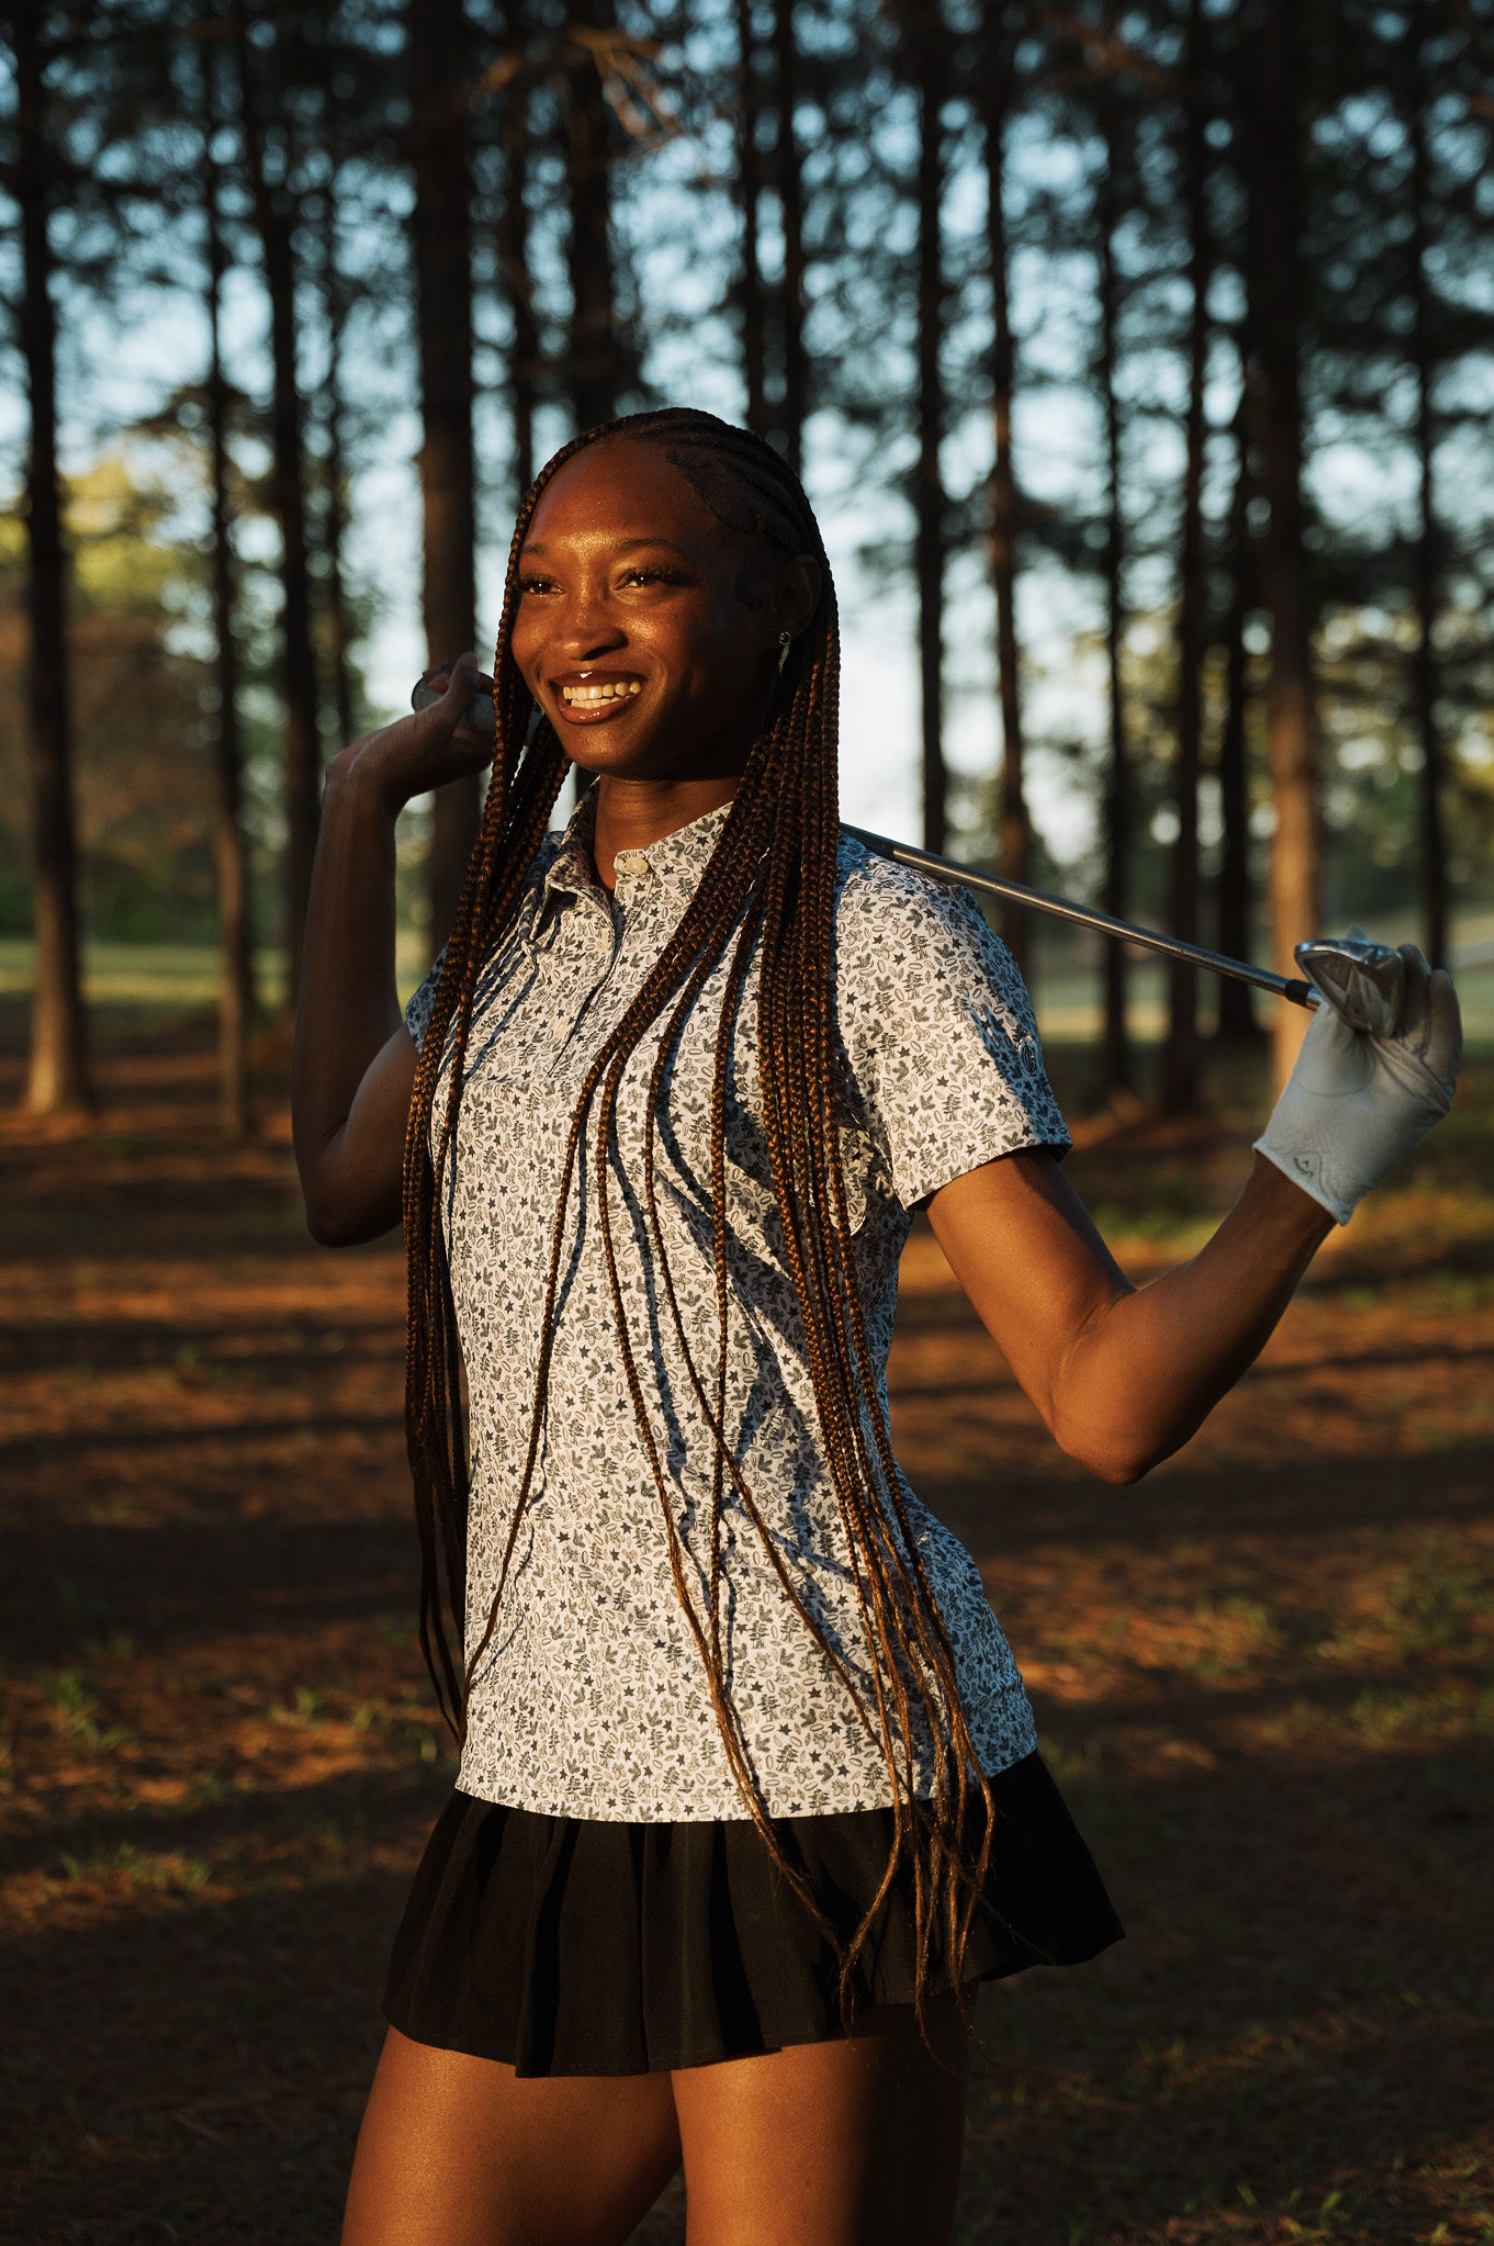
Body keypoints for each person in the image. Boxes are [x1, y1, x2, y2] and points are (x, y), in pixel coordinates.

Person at [291, 408, 1461, 2246]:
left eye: (644, 577)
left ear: (776, 613)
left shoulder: (874, 931)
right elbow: (348, 1174)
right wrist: (370, 794)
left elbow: (1099, 1398)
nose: (574, 625)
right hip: (541, 1759)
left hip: (807, 1763)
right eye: (539, 584)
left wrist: (1322, 1149)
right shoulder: (516, 928)